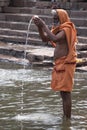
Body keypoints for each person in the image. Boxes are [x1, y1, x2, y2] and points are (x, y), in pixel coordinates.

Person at [33, 9, 77, 119]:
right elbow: (44, 39)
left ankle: (68, 119)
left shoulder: (67, 28)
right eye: (54, 19)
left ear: (61, 18)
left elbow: (54, 38)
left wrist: (43, 25)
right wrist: (39, 27)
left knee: (66, 93)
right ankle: (65, 117)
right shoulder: (59, 29)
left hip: (66, 63)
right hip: (59, 63)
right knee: (63, 93)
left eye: (56, 19)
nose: (54, 21)